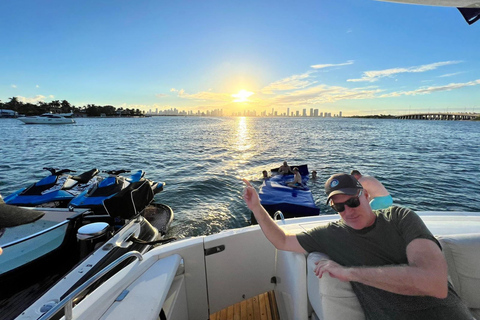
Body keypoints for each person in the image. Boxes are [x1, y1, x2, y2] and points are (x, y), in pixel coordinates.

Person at [242, 173, 473, 319]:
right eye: (339, 207)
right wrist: (256, 207)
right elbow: (282, 240)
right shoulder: (331, 234)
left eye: (352, 201)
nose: (348, 212)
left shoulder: (400, 218)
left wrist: (349, 272)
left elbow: (434, 283)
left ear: (364, 195)